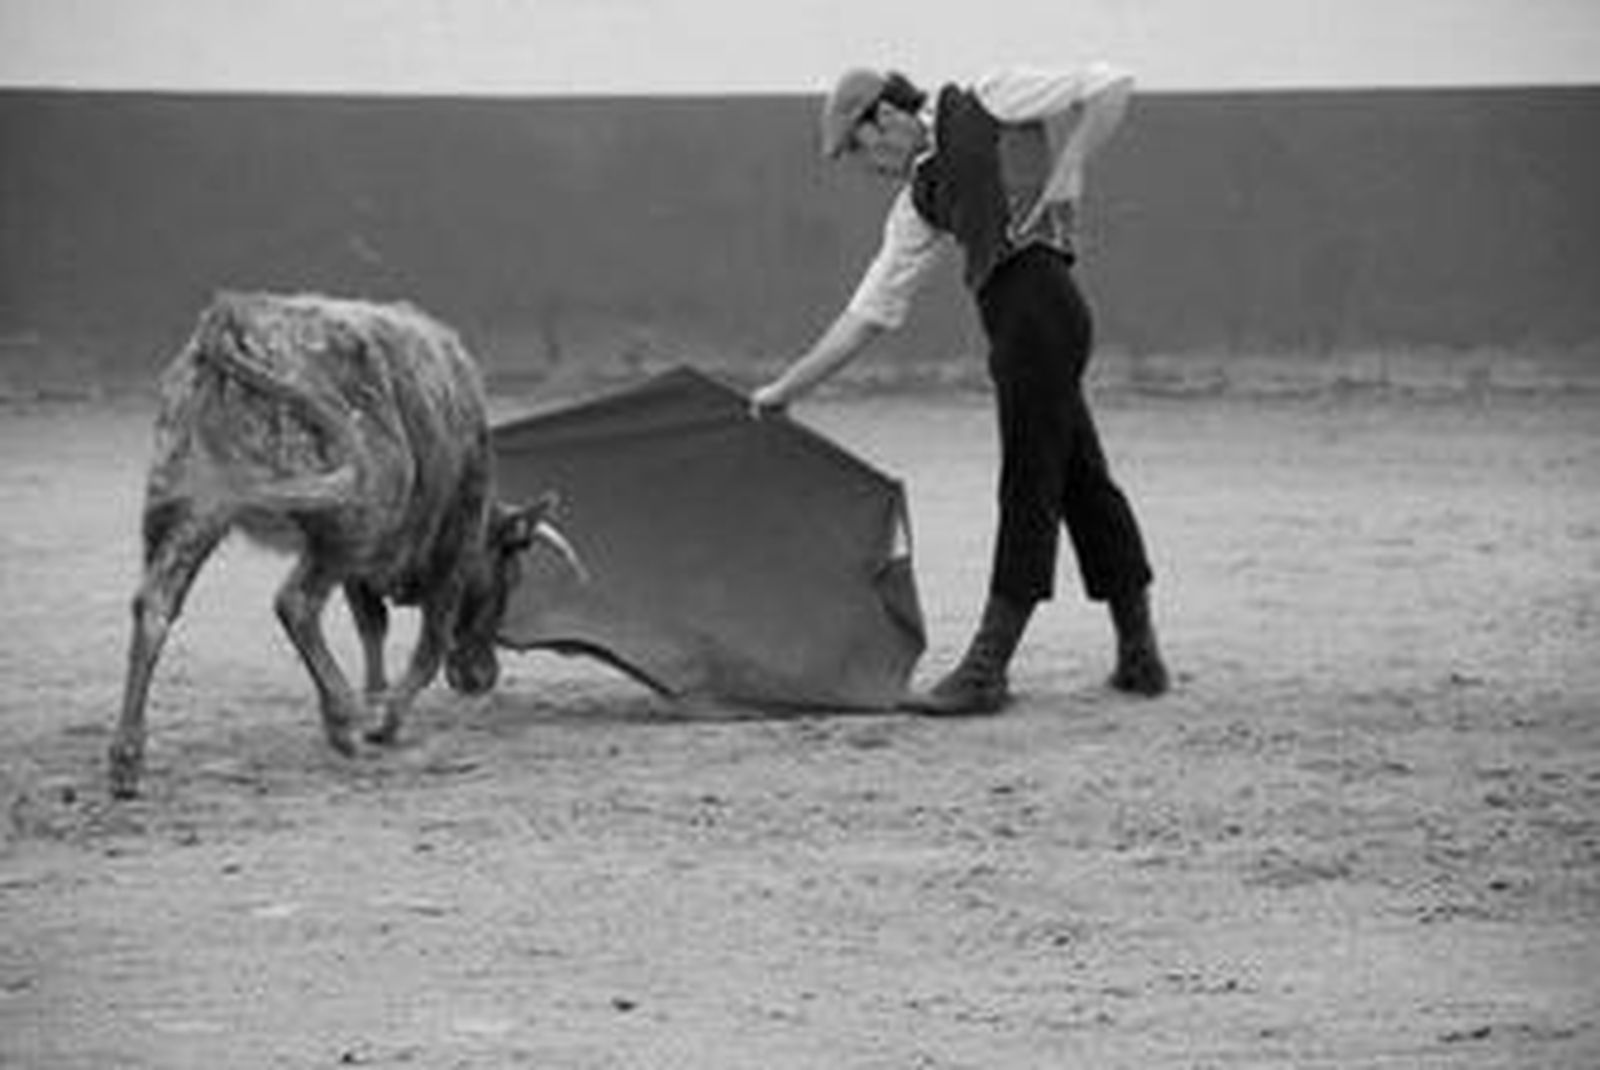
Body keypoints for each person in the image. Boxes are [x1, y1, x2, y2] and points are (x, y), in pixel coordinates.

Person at [751, 61, 1169, 714]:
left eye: (859, 147)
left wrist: (1075, 162)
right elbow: (868, 315)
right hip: (1019, 326)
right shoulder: (919, 200)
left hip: (1041, 308)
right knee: (1081, 483)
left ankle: (987, 668)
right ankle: (1140, 656)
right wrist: (786, 388)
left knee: (1029, 484)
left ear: (885, 118)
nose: (866, 164)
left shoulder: (986, 99)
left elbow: (1111, 82)